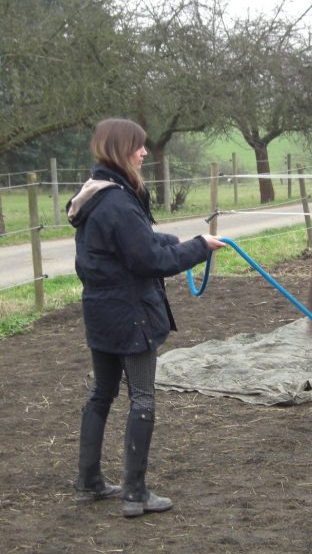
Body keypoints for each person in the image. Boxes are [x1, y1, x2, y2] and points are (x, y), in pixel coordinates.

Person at [66, 118, 227, 518]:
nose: (143, 153)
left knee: (102, 394)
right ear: (121, 149)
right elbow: (148, 261)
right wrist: (198, 249)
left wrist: (177, 240)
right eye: (138, 147)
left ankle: (89, 482)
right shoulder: (119, 202)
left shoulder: (99, 196)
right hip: (130, 315)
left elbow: (133, 245)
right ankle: (135, 493)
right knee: (142, 398)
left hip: (102, 312)